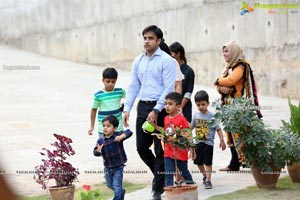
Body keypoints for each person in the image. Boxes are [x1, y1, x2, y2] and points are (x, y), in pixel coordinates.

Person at [123, 25, 177, 200]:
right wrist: (127, 109)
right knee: (141, 147)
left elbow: (169, 88)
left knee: (161, 149)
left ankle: (157, 189)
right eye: (144, 38)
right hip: (143, 108)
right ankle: (160, 176)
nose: (146, 41)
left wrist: (157, 109)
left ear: (159, 40)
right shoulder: (138, 60)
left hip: (161, 110)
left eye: (150, 38)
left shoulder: (167, 61)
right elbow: (133, 86)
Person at [214, 41, 262, 171]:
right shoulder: (228, 67)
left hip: (239, 107)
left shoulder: (241, 66)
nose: (224, 54)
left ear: (234, 52)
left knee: (240, 134)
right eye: (223, 51)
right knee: (230, 134)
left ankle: (250, 162)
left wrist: (218, 81)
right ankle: (234, 163)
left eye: (227, 51)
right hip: (228, 106)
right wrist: (220, 88)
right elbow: (220, 85)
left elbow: (231, 80)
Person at [190, 90, 226, 189]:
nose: (201, 107)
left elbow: (218, 129)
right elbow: (190, 127)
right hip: (198, 143)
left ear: (208, 103)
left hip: (208, 144)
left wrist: (222, 141)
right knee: (198, 162)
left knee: (208, 162)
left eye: (203, 104)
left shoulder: (211, 116)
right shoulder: (196, 115)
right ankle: (205, 175)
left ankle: (208, 180)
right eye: (198, 105)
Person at [93, 115, 133, 200]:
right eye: (103, 126)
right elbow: (95, 153)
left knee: (117, 185)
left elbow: (129, 132)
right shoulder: (100, 141)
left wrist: (122, 136)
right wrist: (98, 151)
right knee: (110, 185)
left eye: (108, 126)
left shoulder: (117, 136)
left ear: (114, 128)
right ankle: (121, 192)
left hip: (118, 167)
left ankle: (118, 196)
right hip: (107, 168)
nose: (105, 128)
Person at [163, 92, 194, 187]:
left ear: (178, 106)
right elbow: (166, 133)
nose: (167, 106)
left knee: (184, 171)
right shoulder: (166, 118)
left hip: (180, 151)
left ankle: (190, 186)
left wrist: (191, 148)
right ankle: (169, 192)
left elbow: (187, 134)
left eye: (170, 104)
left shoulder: (182, 119)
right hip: (168, 152)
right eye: (166, 104)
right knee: (168, 173)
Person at [88, 68, 125, 138]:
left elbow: (130, 99)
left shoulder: (120, 92)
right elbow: (94, 110)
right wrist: (92, 127)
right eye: (108, 81)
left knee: (118, 148)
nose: (110, 84)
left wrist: (124, 107)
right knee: (103, 147)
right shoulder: (98, 95)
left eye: (113, 82)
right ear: (103, 80)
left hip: (117, 128)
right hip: (104, 129)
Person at [169, 42, 195, 122]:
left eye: (171, 54)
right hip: (170, 107)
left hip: (184, 108)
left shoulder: (189, 71)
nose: (170, 56)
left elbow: (188, 93)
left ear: (178, 54)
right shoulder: (169, 69)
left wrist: (179, 107)